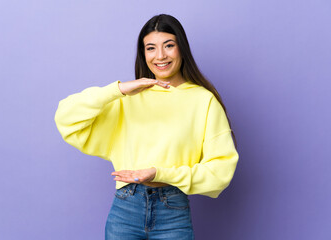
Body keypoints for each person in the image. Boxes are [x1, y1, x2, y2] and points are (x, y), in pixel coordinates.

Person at [54, 13, 239, 240]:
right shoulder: (128, 97)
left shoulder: (203, 101)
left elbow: (220, 172)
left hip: (173, 211)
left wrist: (160, 173)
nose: (160, 56)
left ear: (181, 48)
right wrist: (119, 89)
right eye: (151, 48)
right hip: (125, 210)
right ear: (143, 54)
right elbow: (66, 117)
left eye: (169, 45)